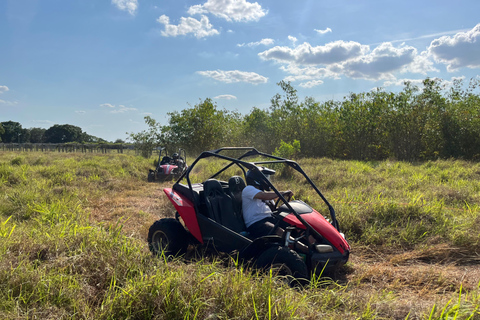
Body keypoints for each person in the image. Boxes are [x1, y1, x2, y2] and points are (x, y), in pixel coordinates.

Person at [241, 167, 293, 239]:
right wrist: (282, 193)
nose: (268, 180)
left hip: (269, 218)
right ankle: (305, 249)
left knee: (294, 225)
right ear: (257, 178)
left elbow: (273, 209)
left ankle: (312, 245)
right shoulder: (248, 189)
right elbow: (264, 196)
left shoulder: (267, 194)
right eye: (265, 177)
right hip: (256, 223)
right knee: (279, 231)